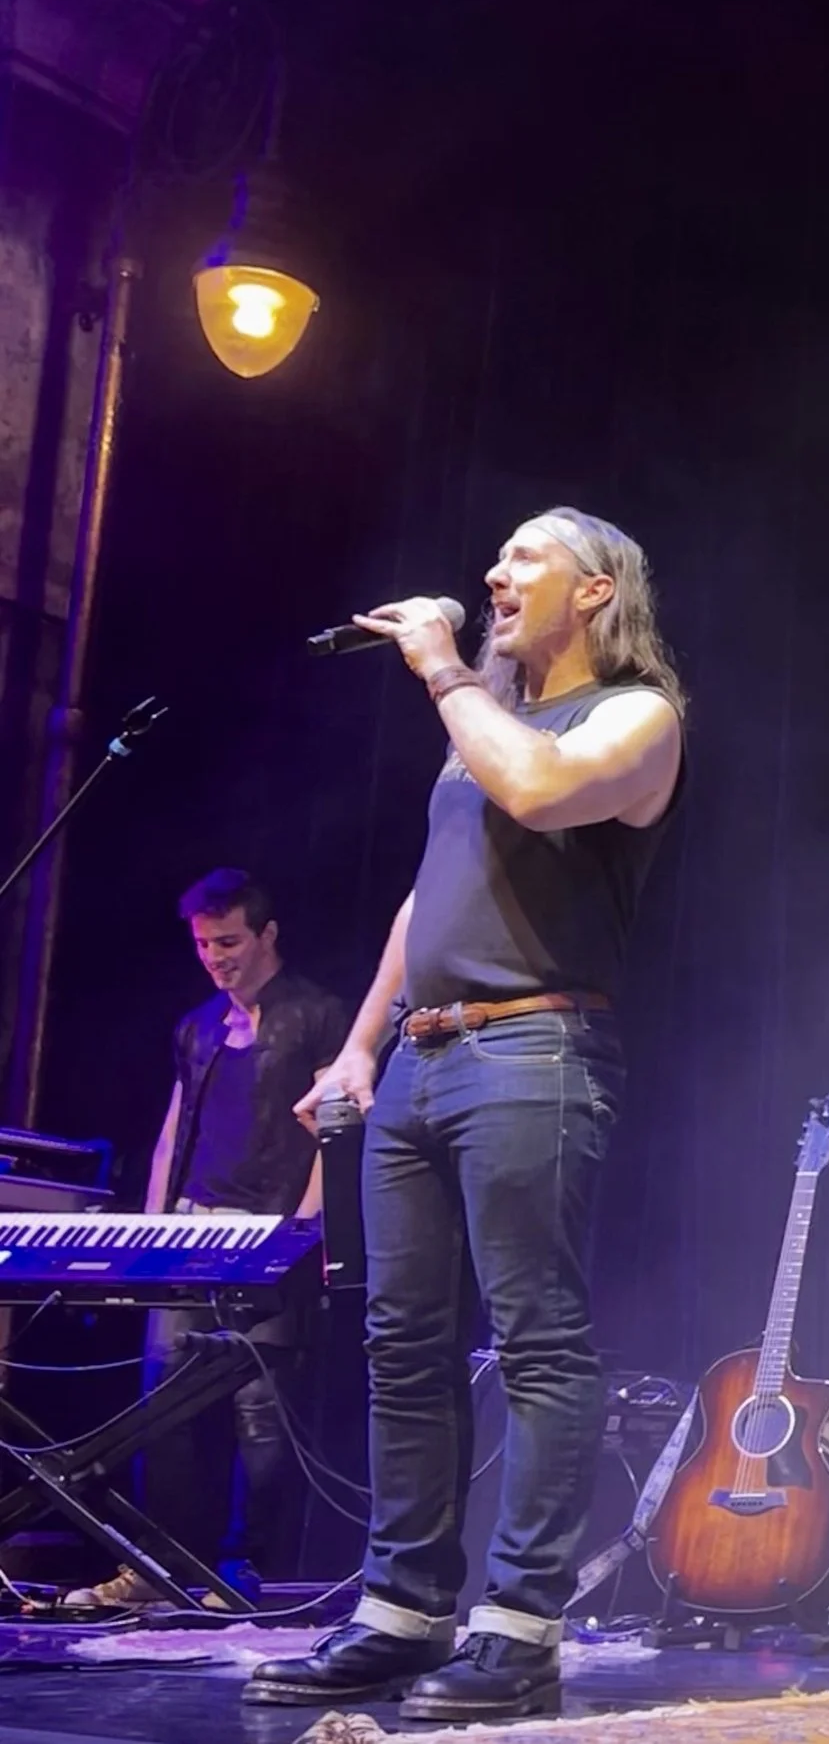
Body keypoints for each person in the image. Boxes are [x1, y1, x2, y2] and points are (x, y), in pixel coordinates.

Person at [244, 508, 685, 1723]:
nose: (494, 571)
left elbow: (539, 794)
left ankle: (520, 1631)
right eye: (495, 555)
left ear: (596, 591)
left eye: (526, 556)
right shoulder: (480, 725)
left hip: (534, 1047)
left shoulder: (636, 716)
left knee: (537, 1341)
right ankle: (400, 1614)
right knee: (403, 1343)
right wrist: (358, 1046)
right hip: (421, 1061)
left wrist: (444, 669)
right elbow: (422, 902)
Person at [67, 869, 346, 1609]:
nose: (215, 957)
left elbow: (337, 1128)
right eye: (203, 944)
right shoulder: (197, 1026)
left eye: (228, 942)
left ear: (266, 934)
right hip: (190, 1230)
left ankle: (244, 1567)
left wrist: (303, 1230)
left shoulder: (318, 1014)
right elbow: (174, 1129)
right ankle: (155, 1566)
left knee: (261, 1414)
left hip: (268, 1235)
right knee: (163, 1406)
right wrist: (153, 1229)